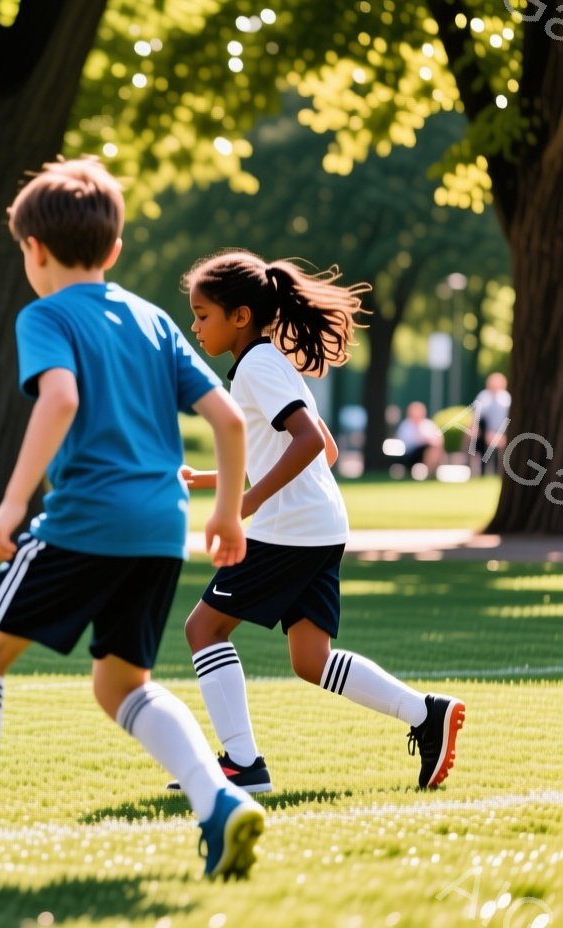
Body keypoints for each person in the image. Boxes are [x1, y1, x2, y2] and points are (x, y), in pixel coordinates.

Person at [0, 158, 264, 880]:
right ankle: (219, 803)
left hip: (83, 522)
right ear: (112, 250)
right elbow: (229, 420)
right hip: (159, 532)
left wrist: (13, 502)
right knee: (122, 684)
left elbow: (60, 401)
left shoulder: (44, 315)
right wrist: (227, 516)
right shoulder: (152, 319)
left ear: (33, 249)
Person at [175, 250, 464, 799]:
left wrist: (248, 503)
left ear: (240, 316)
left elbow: (311, 444)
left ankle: (242, 764)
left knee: (203, 629)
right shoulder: (267, 363)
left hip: (287, 532)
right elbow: (324, 447)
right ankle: (426, 714)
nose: (195, 326)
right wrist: (213, 479)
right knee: (311, 660)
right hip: (318, 528)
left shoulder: (258, 367)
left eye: (202, 313)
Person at [468, 372, 511, 475]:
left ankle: (498, 472)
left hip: (502, 431)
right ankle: (481, 471)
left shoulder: (506, 399)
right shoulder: (483, 397)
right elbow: (477, 416)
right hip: (485, 432)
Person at [395, 401, 444, 478]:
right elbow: (406, 443)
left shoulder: (428, 424)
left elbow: (438, 440)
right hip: (411, 454)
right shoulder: (405, 425)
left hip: (429, 449)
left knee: (433, 449)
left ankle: (431, 473)